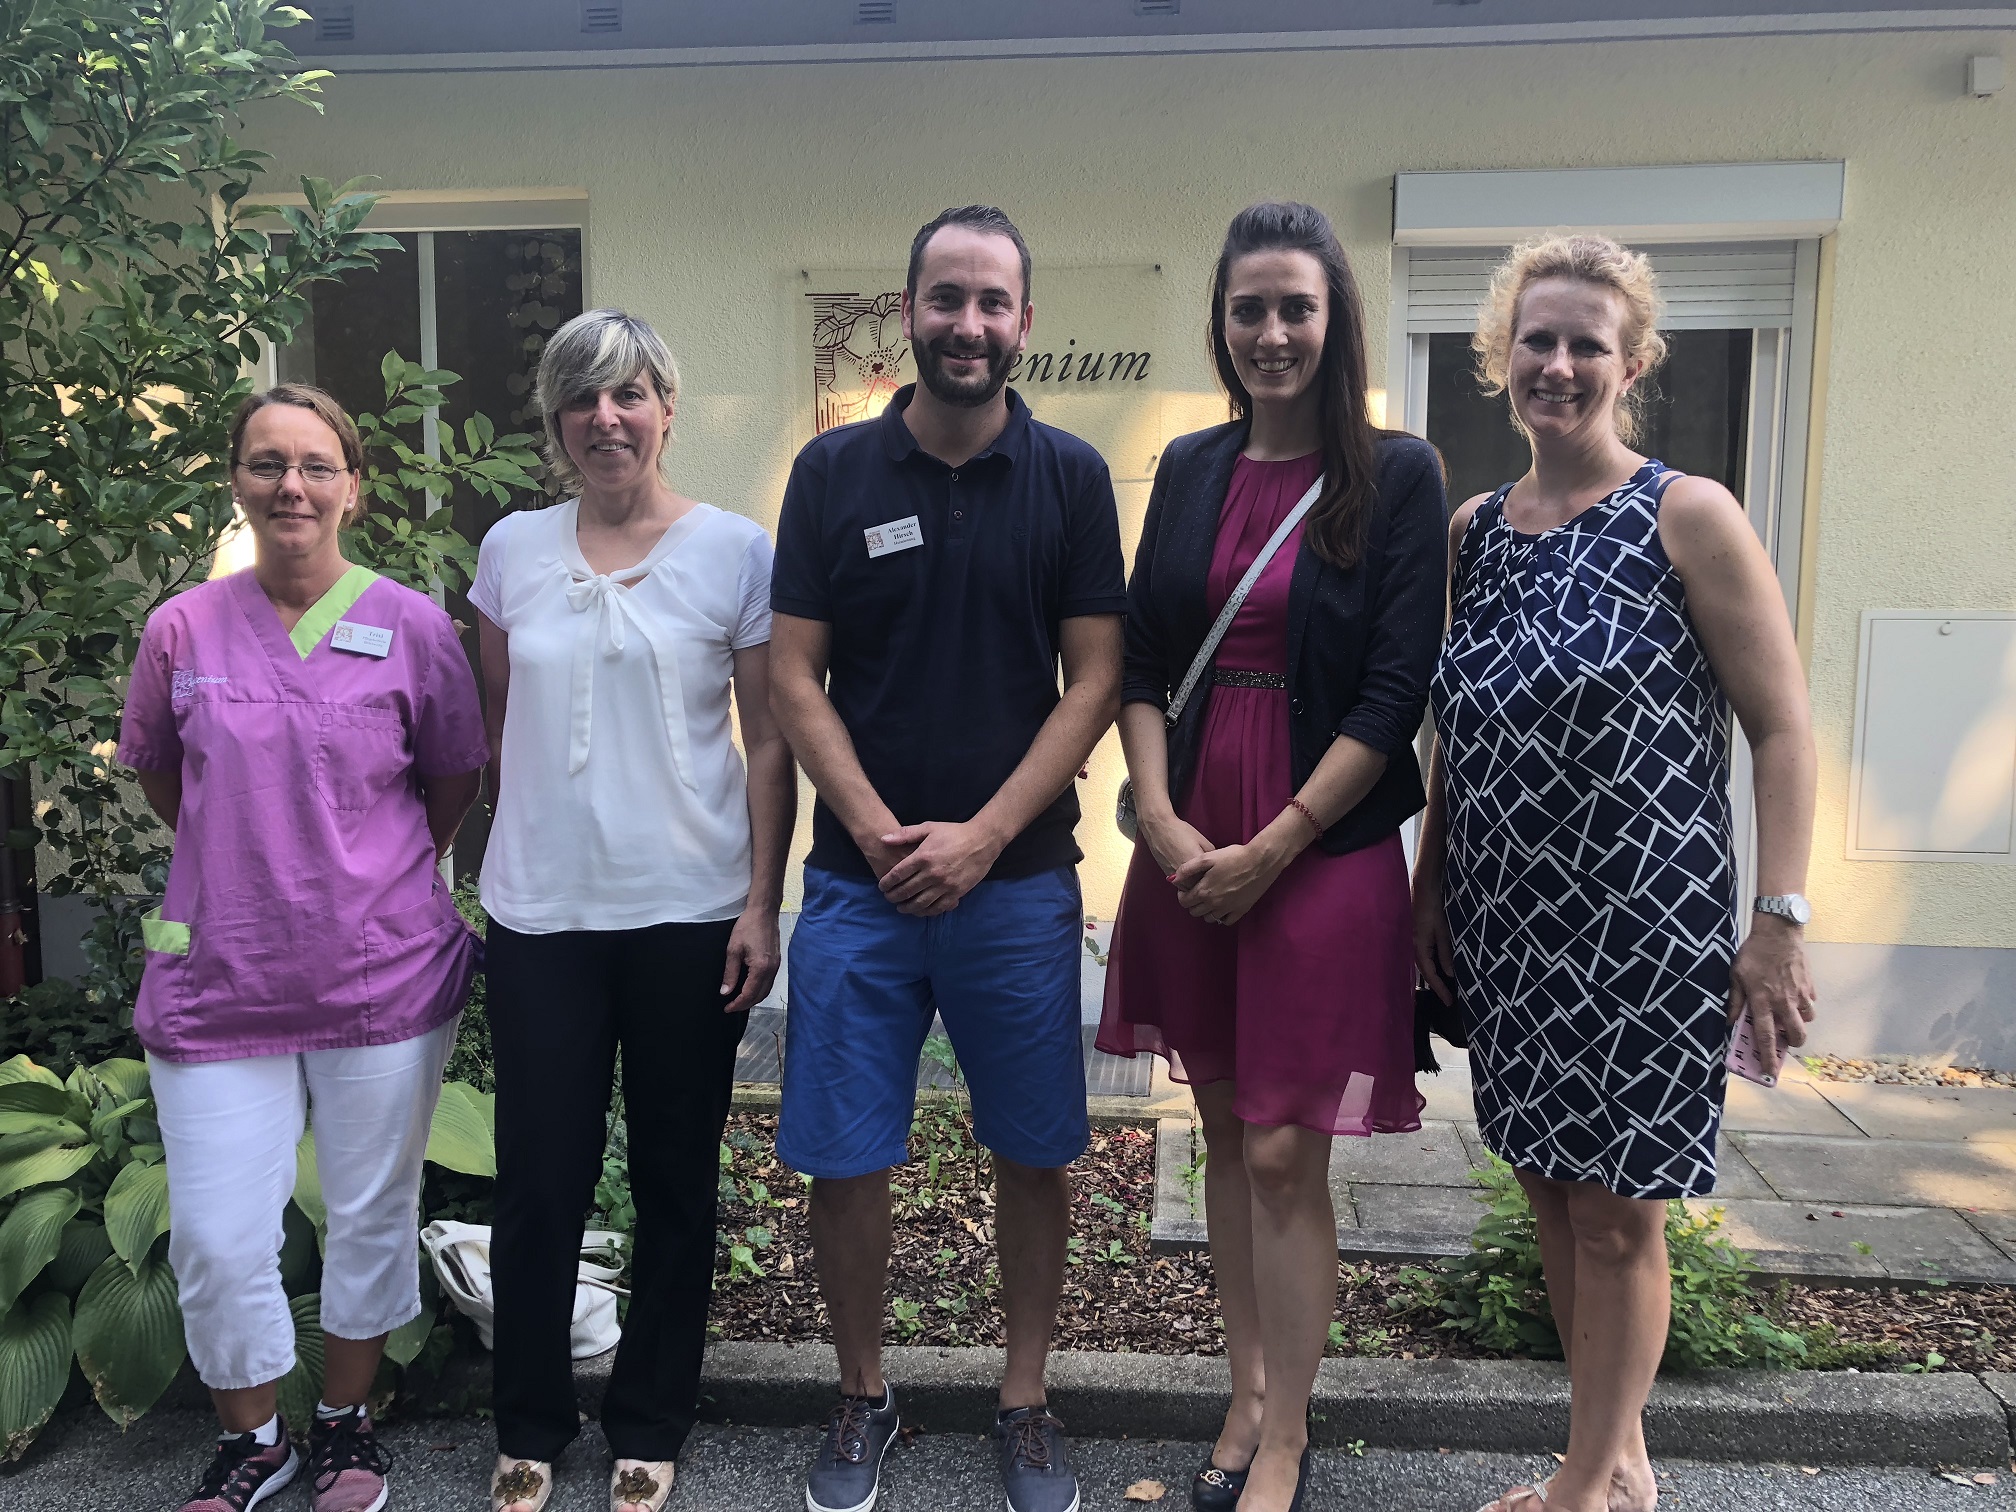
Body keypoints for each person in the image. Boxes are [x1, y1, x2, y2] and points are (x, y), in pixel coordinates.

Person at [1413, 234, 1818, 1512]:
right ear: (1500, 358)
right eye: (1538, 339)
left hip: (1648, 925)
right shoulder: (1476, 532)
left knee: (1617, 1218)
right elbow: (1453, 740)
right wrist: (1430, 894)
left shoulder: (1685, 512)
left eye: (1590, 341)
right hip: (1510, 925)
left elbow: (1784, 729)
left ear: (1632, 361)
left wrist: (1779, 921)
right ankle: (1621, 1459)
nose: (1561, 363)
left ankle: (1585, 1486)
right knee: (1549, 1196)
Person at [769, 204, 1126, 1512]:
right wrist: (874, 829)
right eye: (946, 299)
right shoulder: (831, 476)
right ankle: (865, 1394)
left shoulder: (1074, 478)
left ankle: (1024, 1400)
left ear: (1026, 322)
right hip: (861, 889)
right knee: (842, 1155)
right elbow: (796, 677)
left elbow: (1093, 681)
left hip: (1018, 885)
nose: (968, 325)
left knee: (1034, 1152)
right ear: (906, 312)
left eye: (993, 302)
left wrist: (979, 839)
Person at [1096, 201, 1446, 1512]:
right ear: (1222, 324)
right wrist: (1164, 815)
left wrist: (1275, 841)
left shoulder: (1396, 476)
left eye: (1297, 306)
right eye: (1250, 308)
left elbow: (1393, 693)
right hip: (1190, 838)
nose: (1273, 332)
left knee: (1291, 1148)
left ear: (1336, 319)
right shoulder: (1188, 467)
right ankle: (1241, 1389)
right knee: (1226, 1132)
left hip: (1324, 845)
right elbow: (1139, 654)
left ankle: (1288, 1428)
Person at [119, 384, 487, 1512]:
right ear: (236, 479)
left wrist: (356, 878)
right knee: (220, 1237)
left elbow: (454, 777)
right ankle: (253, 1440)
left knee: (371, 1212)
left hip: (379, 971)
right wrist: (251, 868)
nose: (293, 485)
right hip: (218, 978)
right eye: (268, 463)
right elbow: (159, 773)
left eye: (317, 465)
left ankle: (341, 1425)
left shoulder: (414, 627)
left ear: (353, 487)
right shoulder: (182, 629)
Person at [471, 310, 794, 1512]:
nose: (605, 419)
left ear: (666, 408)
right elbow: (497, 731)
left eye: (629, 396)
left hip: (690, 912)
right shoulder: (510, 548)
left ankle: (651, 1419)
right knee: (538, 1181)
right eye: (580, 400)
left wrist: (762, 903)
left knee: (673, 1178)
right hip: (543, 914)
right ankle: (532, 1422)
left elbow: (768, 743)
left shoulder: (733, 552)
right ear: (557, 422)